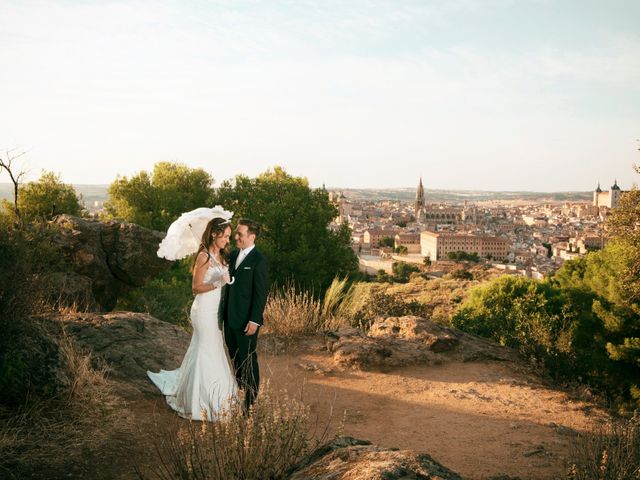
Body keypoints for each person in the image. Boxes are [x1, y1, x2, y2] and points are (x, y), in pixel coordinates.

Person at [147, 217, 237, 421]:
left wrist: (224, 279)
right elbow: (196, 288)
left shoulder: (221, 257)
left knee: (212, 348)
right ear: (214, 234)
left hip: (214, 310)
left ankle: (219, 396)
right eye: (225, 236)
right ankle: (200, 400)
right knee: (207, 348)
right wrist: (216, 283)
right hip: (203, 310)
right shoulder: (203, 257)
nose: (227, 241)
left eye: (229, 237)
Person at [219, 218, 269, 410]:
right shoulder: (232, 255)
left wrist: (255, 320)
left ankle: (250, 402)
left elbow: (260, 294)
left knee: (248, 359)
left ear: (252, 236)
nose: (236, 237)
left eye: (240, 234)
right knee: (234, 355)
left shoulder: (259, 261)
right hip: (229, 318)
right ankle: (240, 388)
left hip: (247, 321)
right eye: (236, 234)